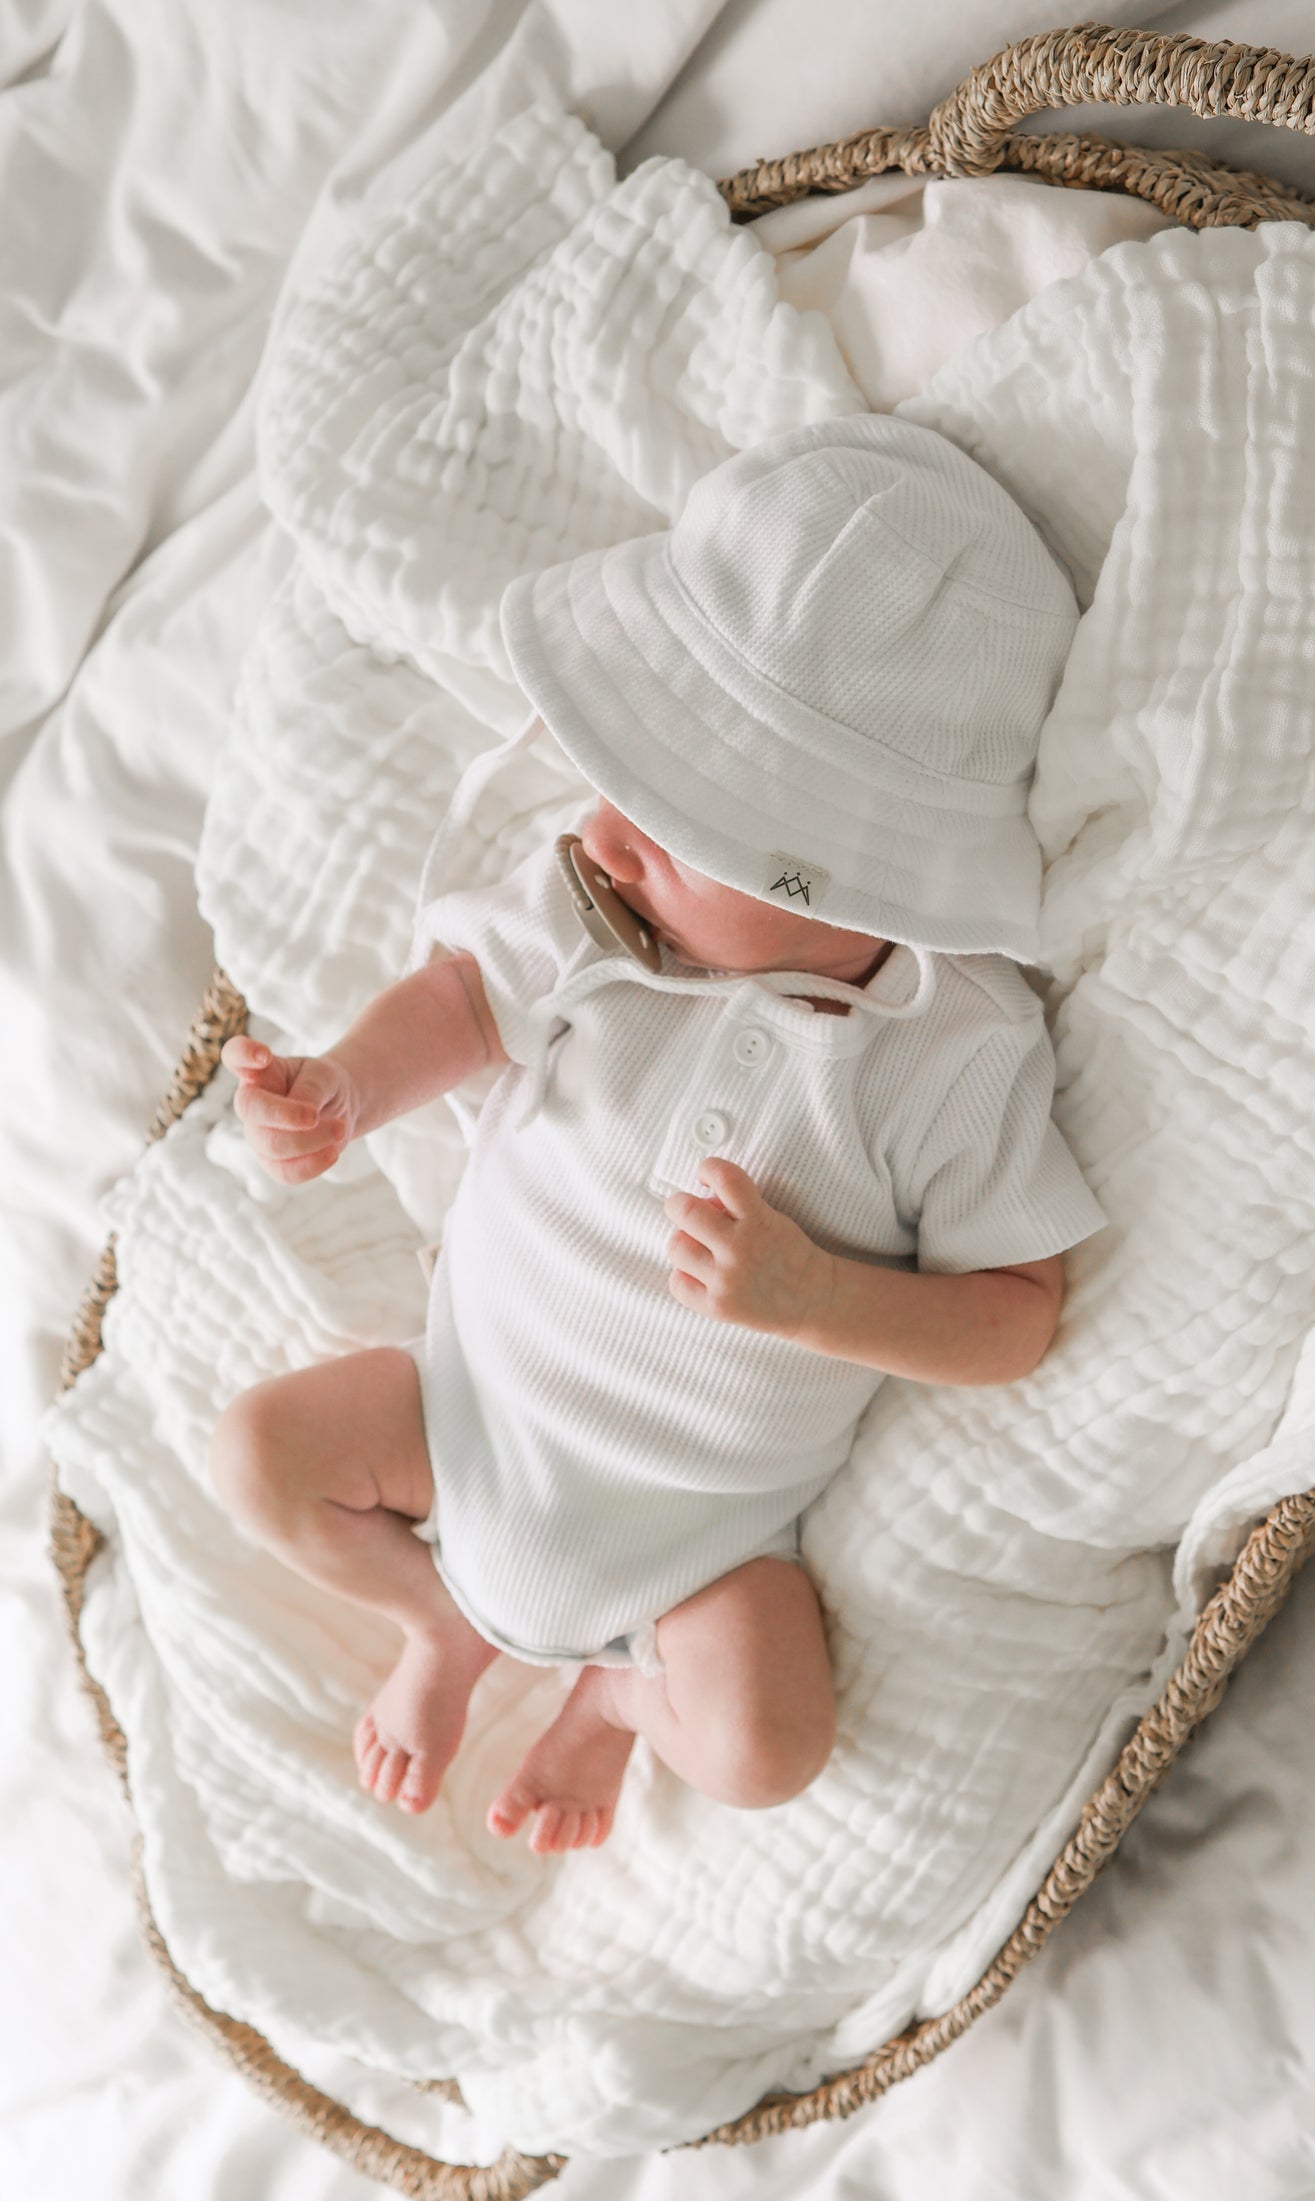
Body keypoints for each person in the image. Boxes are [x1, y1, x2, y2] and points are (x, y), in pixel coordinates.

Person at [207, 415, 1107, 1856]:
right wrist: (346, 1087)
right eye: (624, 780)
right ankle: (440, 1627)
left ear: (854, 870)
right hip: (461, 1416)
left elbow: (1014, 1319)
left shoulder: (952, 1048)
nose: (609, 833)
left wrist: (821, 1297)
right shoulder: (593, 914)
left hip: (705, 1542)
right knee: (256, 1454)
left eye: (675, 823)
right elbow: (463, 997)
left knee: (767, 1746)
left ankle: (618, 1703)